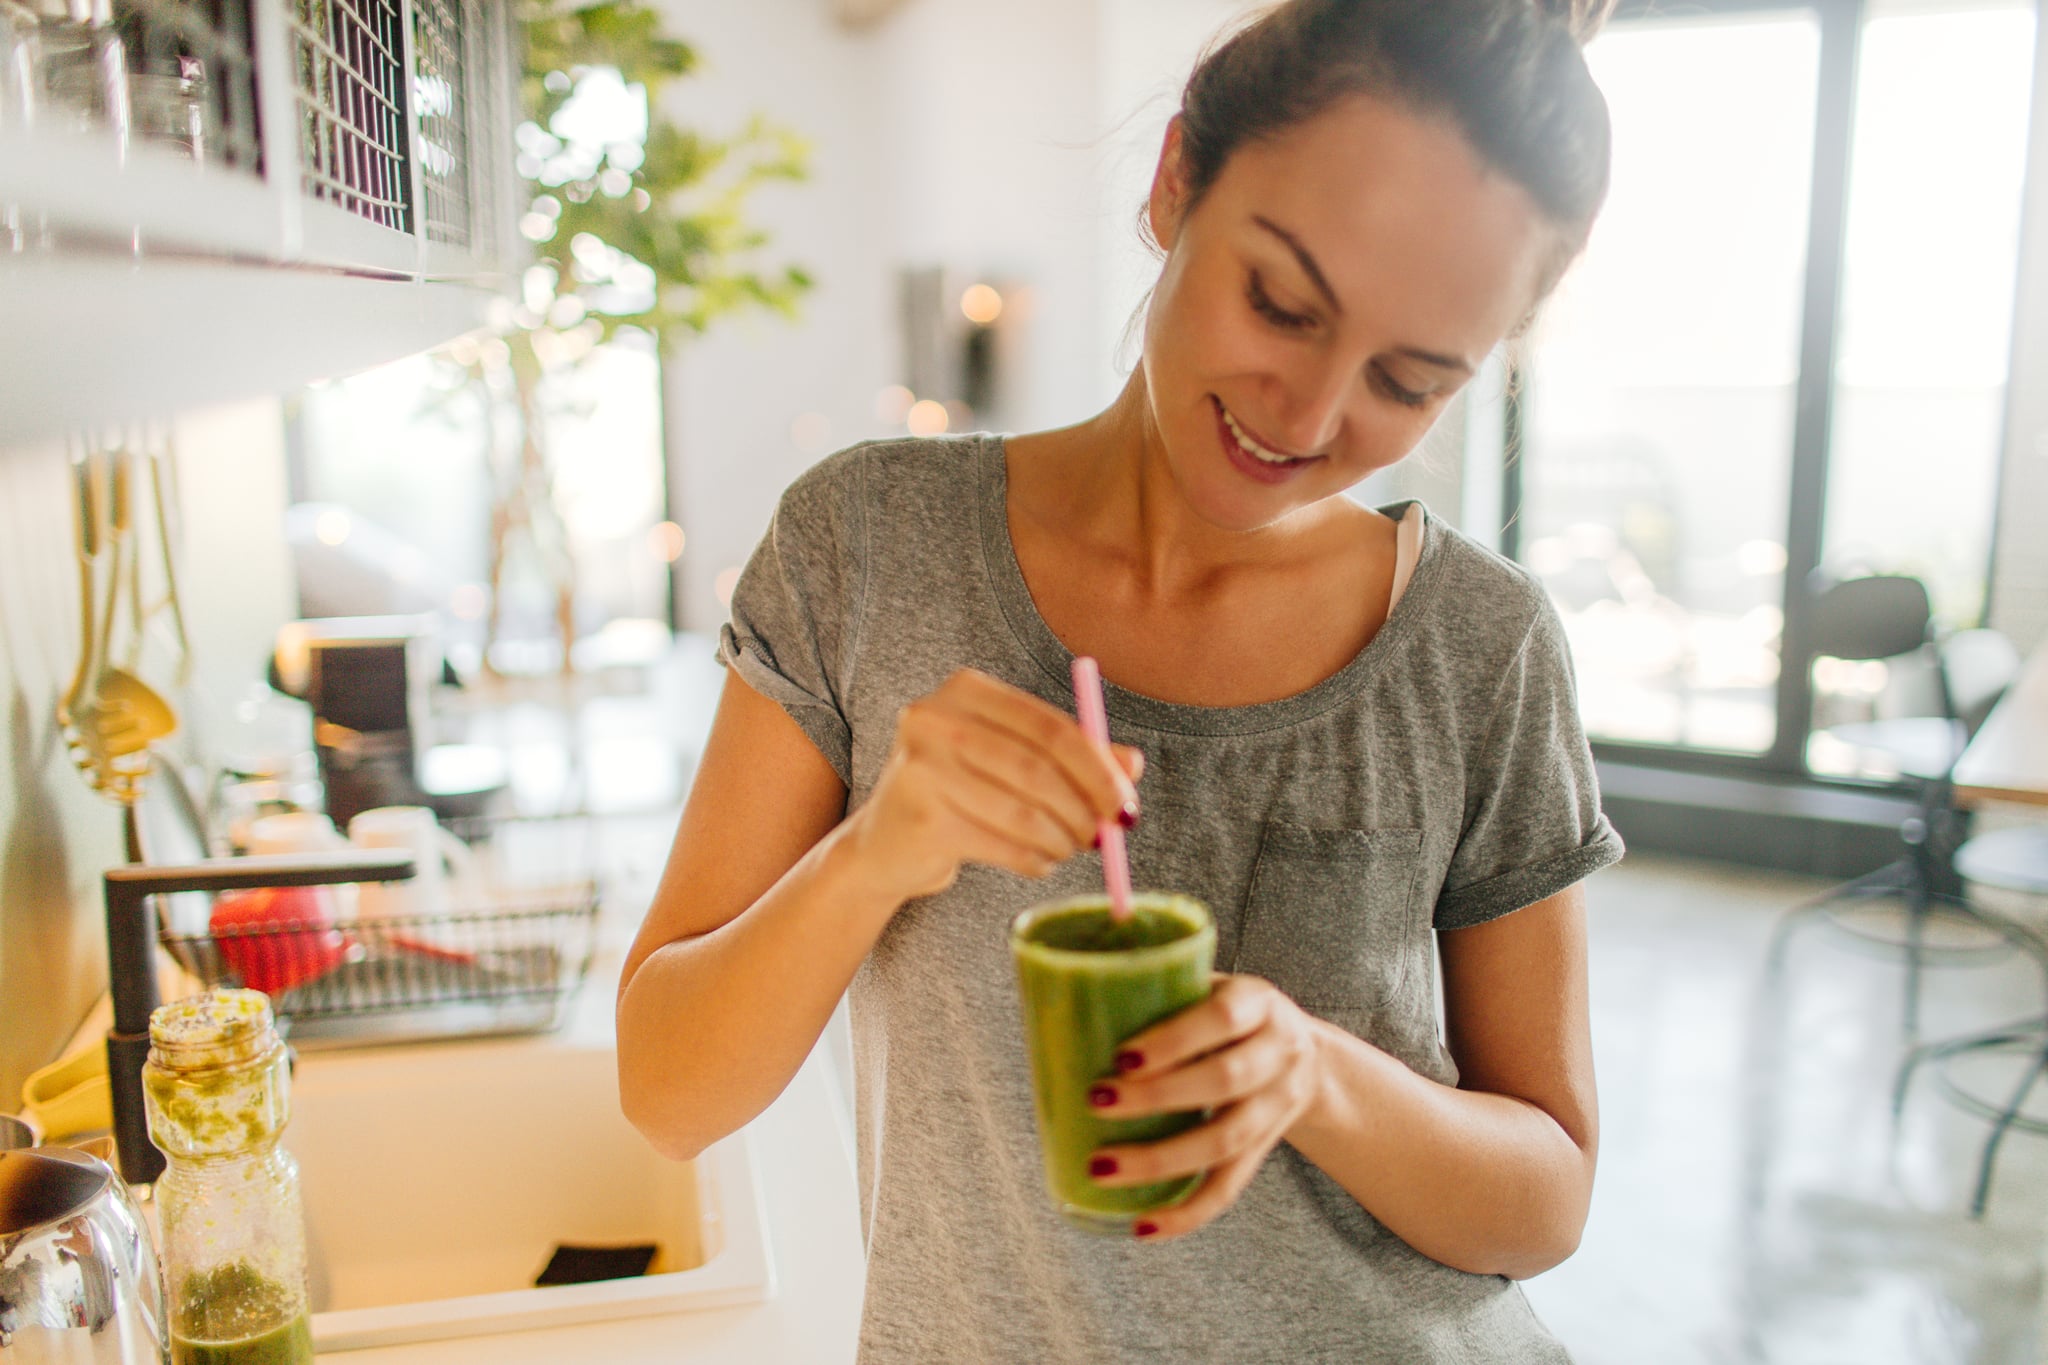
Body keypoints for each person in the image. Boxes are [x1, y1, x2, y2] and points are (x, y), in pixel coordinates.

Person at [618, 0, 1625, 1358]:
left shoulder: (1480, 644)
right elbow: (667, 1091)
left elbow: (1545, 1196)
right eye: (1281, 300)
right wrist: (879, 849)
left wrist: (1314, 1070)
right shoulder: (866, 547)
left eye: (1409, 379)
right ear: (1173, 185)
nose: (1311, 417)